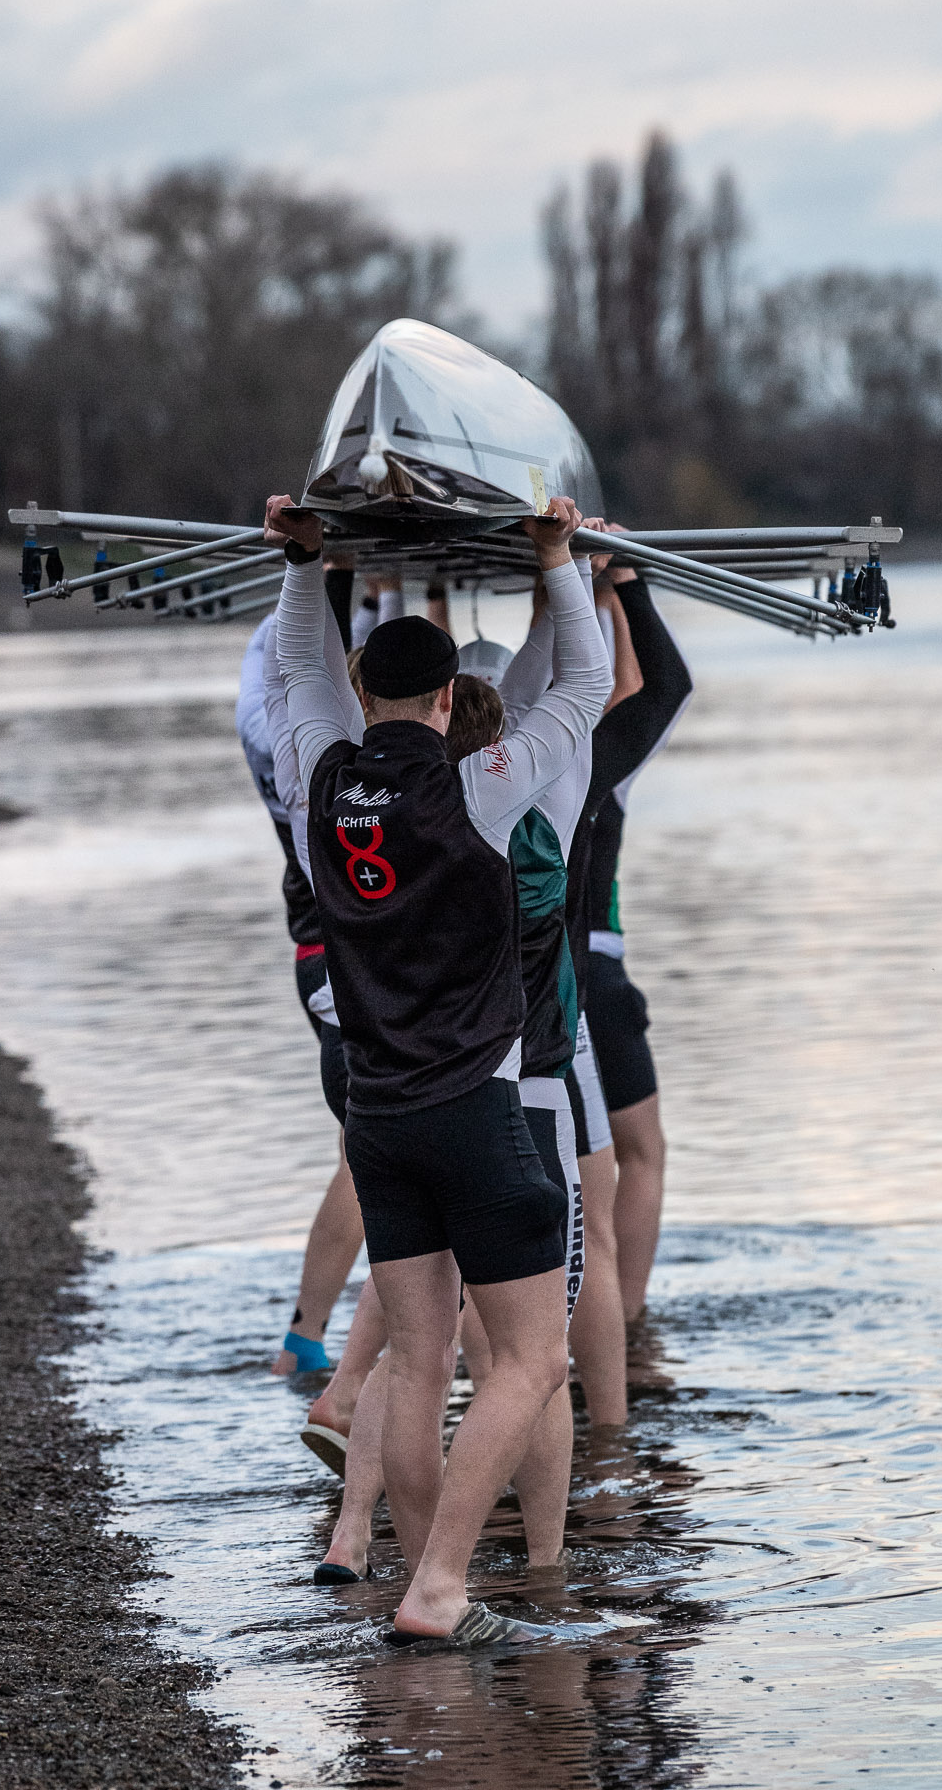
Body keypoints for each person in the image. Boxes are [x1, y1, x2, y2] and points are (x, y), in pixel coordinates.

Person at [270, 489, 612, 1644]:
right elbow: (579, 689)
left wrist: (306, 566)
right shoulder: (479, 784)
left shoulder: (315, 780)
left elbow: (293, 686)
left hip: (375, 1121)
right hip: (475, 1110)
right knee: (531, 1353)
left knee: (414, 1362)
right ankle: (443, 1583)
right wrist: (557, 561)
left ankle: (416, 1573)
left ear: (368, 695)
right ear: (447, 700)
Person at [236, 599, 363, 1374]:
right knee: (374, 1160)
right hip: (336, 961)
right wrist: (332, 575)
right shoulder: (296, 746)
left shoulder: (284, 728)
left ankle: (306, 1341)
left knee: (364, 1156)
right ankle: (327, 1363)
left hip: (322, 958)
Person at [579, 567, 693, 1322]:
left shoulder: (465, 779)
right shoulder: (581, 767)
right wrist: (622, 589)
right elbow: (655, 688)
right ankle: (625, 1321)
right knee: (640, 1154)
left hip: (506, 996)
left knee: (562, 1187)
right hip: (594, 979)